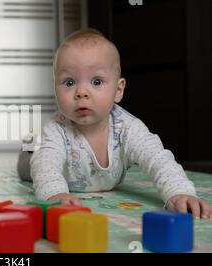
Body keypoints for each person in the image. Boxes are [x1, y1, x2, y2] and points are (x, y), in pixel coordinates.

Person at [24, 28, 211, 219]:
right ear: (55, 88)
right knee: (32, 159)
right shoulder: (55, 130)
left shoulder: (129, 128)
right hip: (35, 154)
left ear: (118, 90)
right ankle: (29, 143)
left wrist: (179, 191)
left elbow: (158, 159)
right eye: (69, 82)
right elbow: (45, 165)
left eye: (96, 81)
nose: (81, 92)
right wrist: (54, 193)